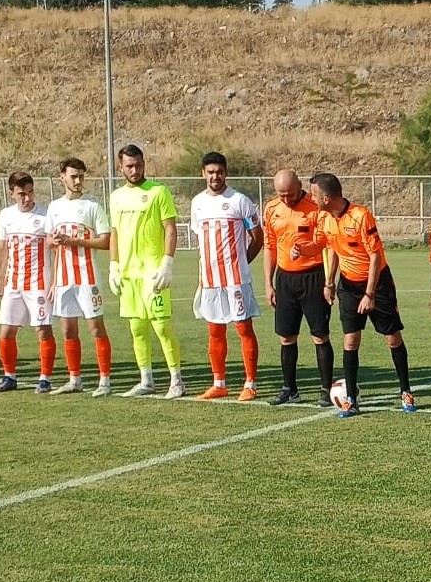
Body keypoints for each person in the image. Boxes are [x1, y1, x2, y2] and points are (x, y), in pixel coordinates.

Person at [311, 171, 414, 415]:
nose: (311, 198)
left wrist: (370, 294)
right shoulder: (324, 218)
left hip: (377, 284)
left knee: (392, 337)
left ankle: (406, 391)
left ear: (326, 198)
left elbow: (375, 255)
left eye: (314, 194)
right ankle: (351, 401)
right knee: (350, 339)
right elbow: (333, 247)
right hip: (348, 285)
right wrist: (329, 282)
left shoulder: (360, 216)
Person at [109, 144, 182, 398]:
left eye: (138, 164)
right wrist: (114, 265)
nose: (135, 170)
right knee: (137, 329)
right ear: (121, 167)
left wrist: (167, 263)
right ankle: (146, 379)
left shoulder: (158, 192)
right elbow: (115, 233)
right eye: (129, 166)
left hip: (153, 274)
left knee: (162, 327)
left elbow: (171, 229)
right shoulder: (116, 196)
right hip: (129, 277)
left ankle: (177, 380)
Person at [191, 152, 263, 401]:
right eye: (210, 172)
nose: (215, 176)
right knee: (215, 330)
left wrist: (241, 262)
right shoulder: (197, 202)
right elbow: (200, 238)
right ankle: (219, 382)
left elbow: (257, 238)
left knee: (243, 328)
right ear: (203, 173)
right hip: (210, 280)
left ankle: (250, 383)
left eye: (219, 172)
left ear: (226, 173)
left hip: (235, 279)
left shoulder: (240, 201)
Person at [262, 168, 333, 405]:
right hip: (285, 280)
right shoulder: (271, 209)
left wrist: (327, 281)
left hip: (313, 277)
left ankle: (325, 389)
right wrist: (268, 284)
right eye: (281, 195)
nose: (286, 199)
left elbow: (327, 244)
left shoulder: (315, 209)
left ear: (299, 186)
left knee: (319, 336)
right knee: (286, 337)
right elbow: (269, 247)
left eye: (290, 194)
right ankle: (289, 389)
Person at [47, 157, 114, 396]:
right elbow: (49, 241)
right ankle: (75, 379)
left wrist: (74, 241)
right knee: (68, 330)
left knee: (96, 328)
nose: (78, 181)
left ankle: (105, 380)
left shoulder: (92, 206)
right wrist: (54, 280)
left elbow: (106, 241)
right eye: (73, 176)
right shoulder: (54, 207)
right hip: (64, 279)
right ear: (62, 177)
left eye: (81, 176)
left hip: (87, 277)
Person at [0, 171, 57, 393]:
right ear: (12, 194)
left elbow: (55, 251)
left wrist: (55, 281)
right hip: (13, 283)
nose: (27, 198)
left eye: (30, 193)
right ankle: (9, 376)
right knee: (6, 332)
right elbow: (1, 248)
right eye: (22, 194)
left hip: (38, 283)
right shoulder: (6, 216)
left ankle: (45, 378)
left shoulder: (45, 216)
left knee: (43, 330)